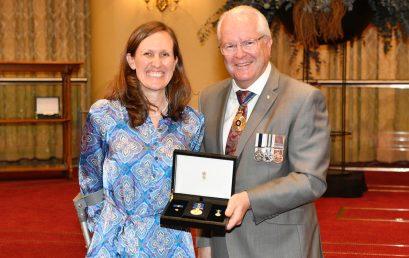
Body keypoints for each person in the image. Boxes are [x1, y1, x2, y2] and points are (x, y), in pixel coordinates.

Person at [197, 5, 330, 258]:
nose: (239, 54)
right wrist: (205, 244)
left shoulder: (303, 99)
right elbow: (208, 179)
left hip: (282, 247)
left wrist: (249, 199)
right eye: (229, 46)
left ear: (267, 44)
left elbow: (311, 179)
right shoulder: (209, 98)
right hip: (223, 246)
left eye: (248, 42)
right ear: (220, 51)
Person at [79, 21, 204, 257]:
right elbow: (89, 180)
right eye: (147, 53)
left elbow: (194, 187)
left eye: (165, 54)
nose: (157, 63)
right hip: (117, 240)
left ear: (175, 62)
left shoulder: (192, 122)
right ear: (131, 60)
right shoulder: (103, 115)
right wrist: (105, 225)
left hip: (172, 242)